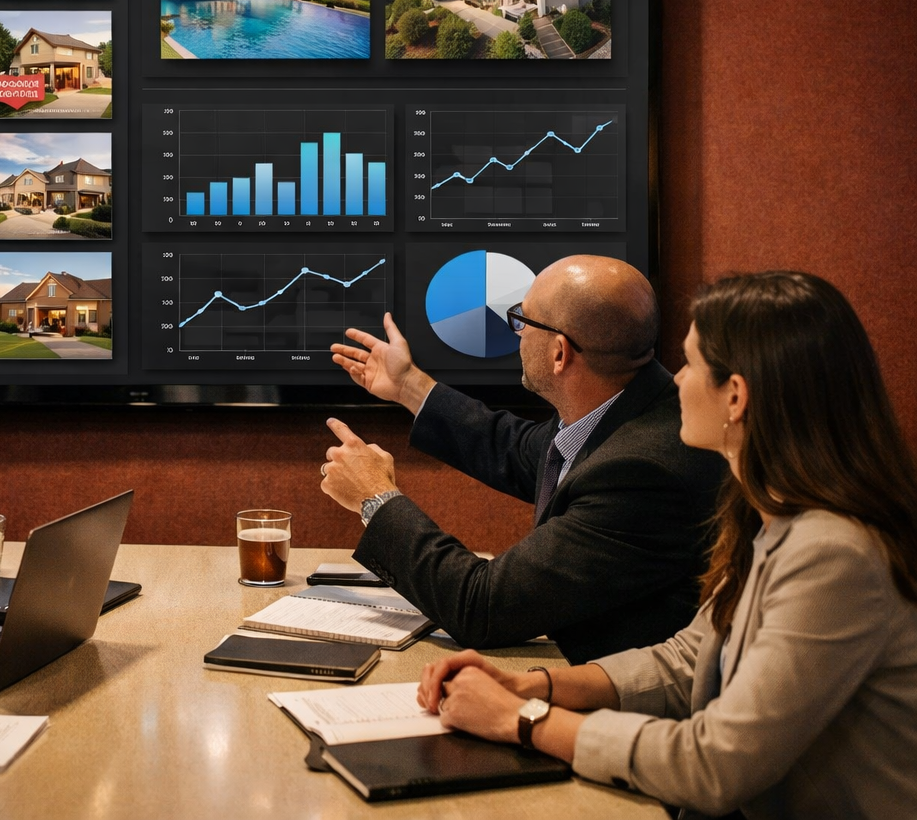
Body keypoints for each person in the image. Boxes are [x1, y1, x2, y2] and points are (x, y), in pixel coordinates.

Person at [415, 271, 917, 818]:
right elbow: (691, 659)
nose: (675, 382)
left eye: (692, 364)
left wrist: (522, 720)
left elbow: (715, 765)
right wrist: (534, 685)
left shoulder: (834, 555)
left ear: (736, 396)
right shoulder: (766, 514)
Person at [322, 256, 724, 663]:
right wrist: (409, 385)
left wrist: (376, 497)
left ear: (558, 353)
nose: (517, 333)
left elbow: (481, 608)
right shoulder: (621, 404)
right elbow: (516, 448)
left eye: (522, 320)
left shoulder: (642, 472)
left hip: (618, 705)